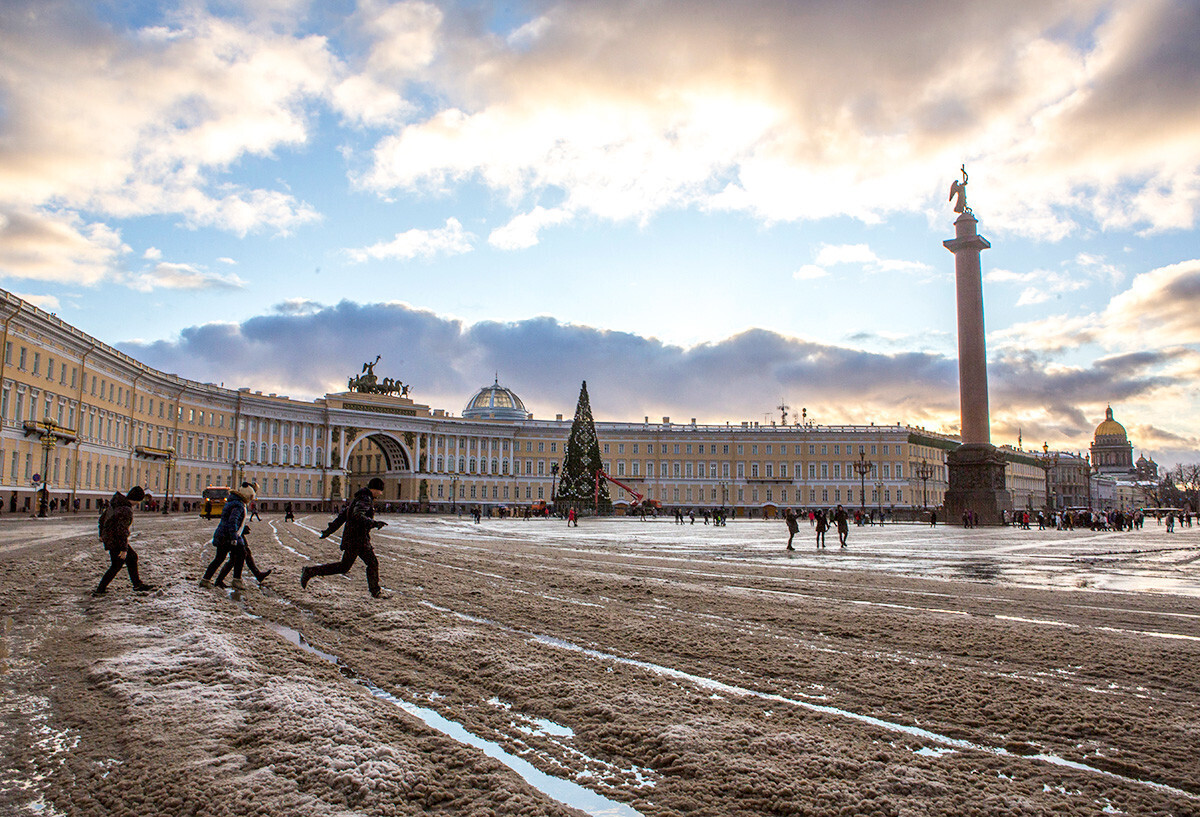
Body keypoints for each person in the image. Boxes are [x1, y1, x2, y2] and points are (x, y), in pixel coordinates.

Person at [301, 477, 388, 598]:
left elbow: (343, 516)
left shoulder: (359, 498)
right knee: (371, 563)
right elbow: (357, 515)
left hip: (354, 538)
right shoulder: (365, 499)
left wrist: (329, 531)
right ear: (375, 489)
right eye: (380, 490)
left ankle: (310, 571)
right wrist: (374, 523)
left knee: (345, 566)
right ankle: (375, 592)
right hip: (358, 539)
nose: (381, 493)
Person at [92, 486, 154, 595]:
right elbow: (121, 531)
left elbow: (102, 519)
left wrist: (101, 533)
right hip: (115, 540)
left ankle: (137, 584)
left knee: (131, 558)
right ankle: (100, 589)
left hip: (110, 538)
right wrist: (123, 549)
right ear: (137, 499)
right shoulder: (125, 509)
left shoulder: (116, 503)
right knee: (117, 564)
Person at [200, 483, 254, 590]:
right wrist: (234, 537)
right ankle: (236, 580)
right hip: (227, 536)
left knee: (220, 558)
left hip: (224, 535)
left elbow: (234, 520)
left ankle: (206, 580)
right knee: (241, 554)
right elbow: (232, 521)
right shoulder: (238, 505)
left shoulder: (234, 502)